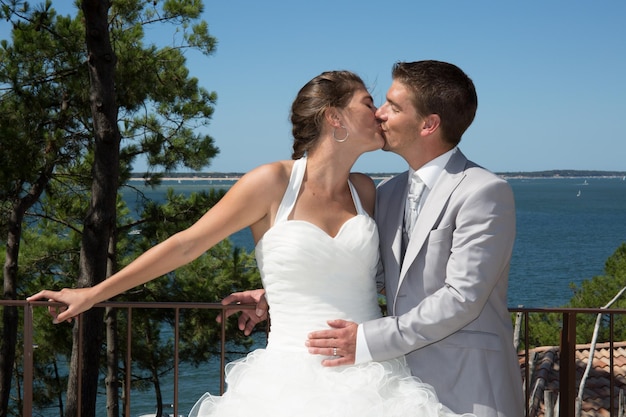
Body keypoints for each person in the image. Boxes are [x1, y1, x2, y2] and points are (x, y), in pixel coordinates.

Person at [28, 70, 474, 417]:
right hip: (289, 379)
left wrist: (269, 292)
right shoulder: (270, 182)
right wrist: (92, 293)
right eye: (367, 102)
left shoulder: (366, 190)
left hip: (376, 375)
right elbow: (186, 245)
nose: (378, 112)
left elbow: (370, 272)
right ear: (334, 117)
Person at [229, 61, 524, 417]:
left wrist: (367, 341)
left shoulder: (484, 190)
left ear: (429, 124)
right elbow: (376, 273)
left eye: (393, 107)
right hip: (395, 389)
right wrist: (284, 290)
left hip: (468, 388)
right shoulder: (388, 191)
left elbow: (462, 297)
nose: (380, 115)